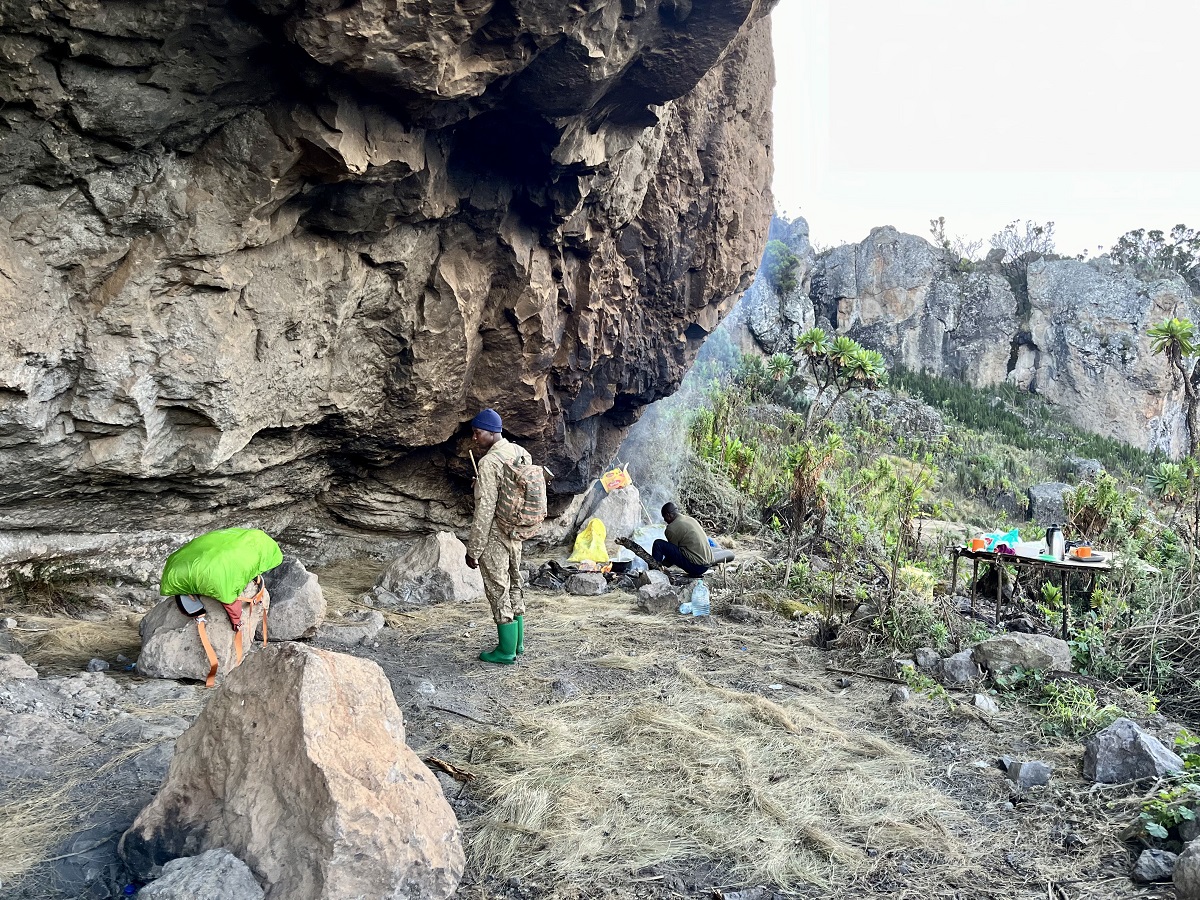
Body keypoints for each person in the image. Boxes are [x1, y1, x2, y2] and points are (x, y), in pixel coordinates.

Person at [464, 408, 530, 665]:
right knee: (515, 582)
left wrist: (474, 550)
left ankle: (505, 651)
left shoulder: (489, 462)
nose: (474, 438)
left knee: (498, 588)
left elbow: (485, 510)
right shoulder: (521, 453)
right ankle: (519, 643)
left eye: (478, 432)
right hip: (516, 531)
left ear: (492, 432)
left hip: (496, 535)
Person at [653, 502, 714, 577]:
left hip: (696, 567)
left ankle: (654, 573)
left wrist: (661, 565)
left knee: (658, 544)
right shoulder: (690, 519)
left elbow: (671, 557)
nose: (665, 520)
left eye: (664, 517)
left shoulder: (671, 528)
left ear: (668, 515)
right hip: (706, 566)